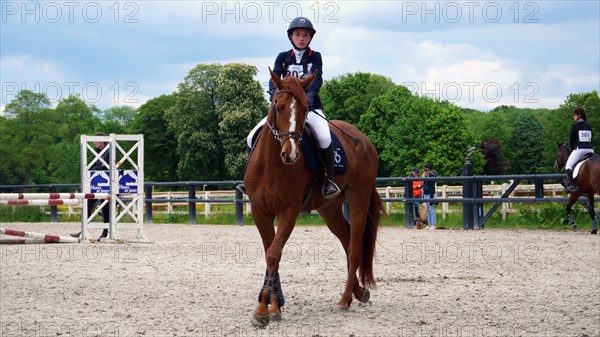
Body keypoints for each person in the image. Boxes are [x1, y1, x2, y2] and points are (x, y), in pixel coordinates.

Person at [238, 16, 341, 199]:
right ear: (291, 36)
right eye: (298, 34)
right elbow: (274, 78)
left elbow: (317, 80)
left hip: (310, 107)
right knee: (251, 136)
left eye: (306, 35)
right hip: (284, 108)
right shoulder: (283, 57)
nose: (302, 38)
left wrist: (308, 98)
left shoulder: (315, 57)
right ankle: (250, 178)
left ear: (310, 38)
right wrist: (273, 95)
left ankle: (329, 180)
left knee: (324, 137)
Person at [71, 132, 110, 239]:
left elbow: (104, 168)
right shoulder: (96, 152)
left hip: (107, 183)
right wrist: (85, 179)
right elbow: (92, 165)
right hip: (95, 183)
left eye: (95, 141)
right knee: (88, 204)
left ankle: (106, 232)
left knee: (106, 208)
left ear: (101, 141)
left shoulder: (110, 152)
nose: (93, 143)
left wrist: (92, 171)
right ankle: (83, 230)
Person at [565, 107, 594, 192]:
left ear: (579, 115)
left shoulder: (575, 126)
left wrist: (572, 149)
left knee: (568, 166)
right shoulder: (589, 126)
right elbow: (591, 138)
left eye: (574, 115)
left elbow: (572, 140)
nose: (573, 117)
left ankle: (573, 185)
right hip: (590, 150)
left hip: (580, 150)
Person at [422, 163, 437, 230]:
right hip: (426, 193)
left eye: (426, 170)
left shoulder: (432, 176)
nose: (424, 171)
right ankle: (429, 223)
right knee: (428, 209)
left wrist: (431, 197)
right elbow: (424, 185)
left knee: (432, 209)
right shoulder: (425, 176)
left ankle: (433, 224)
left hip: (431, 193)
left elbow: (432, 187)